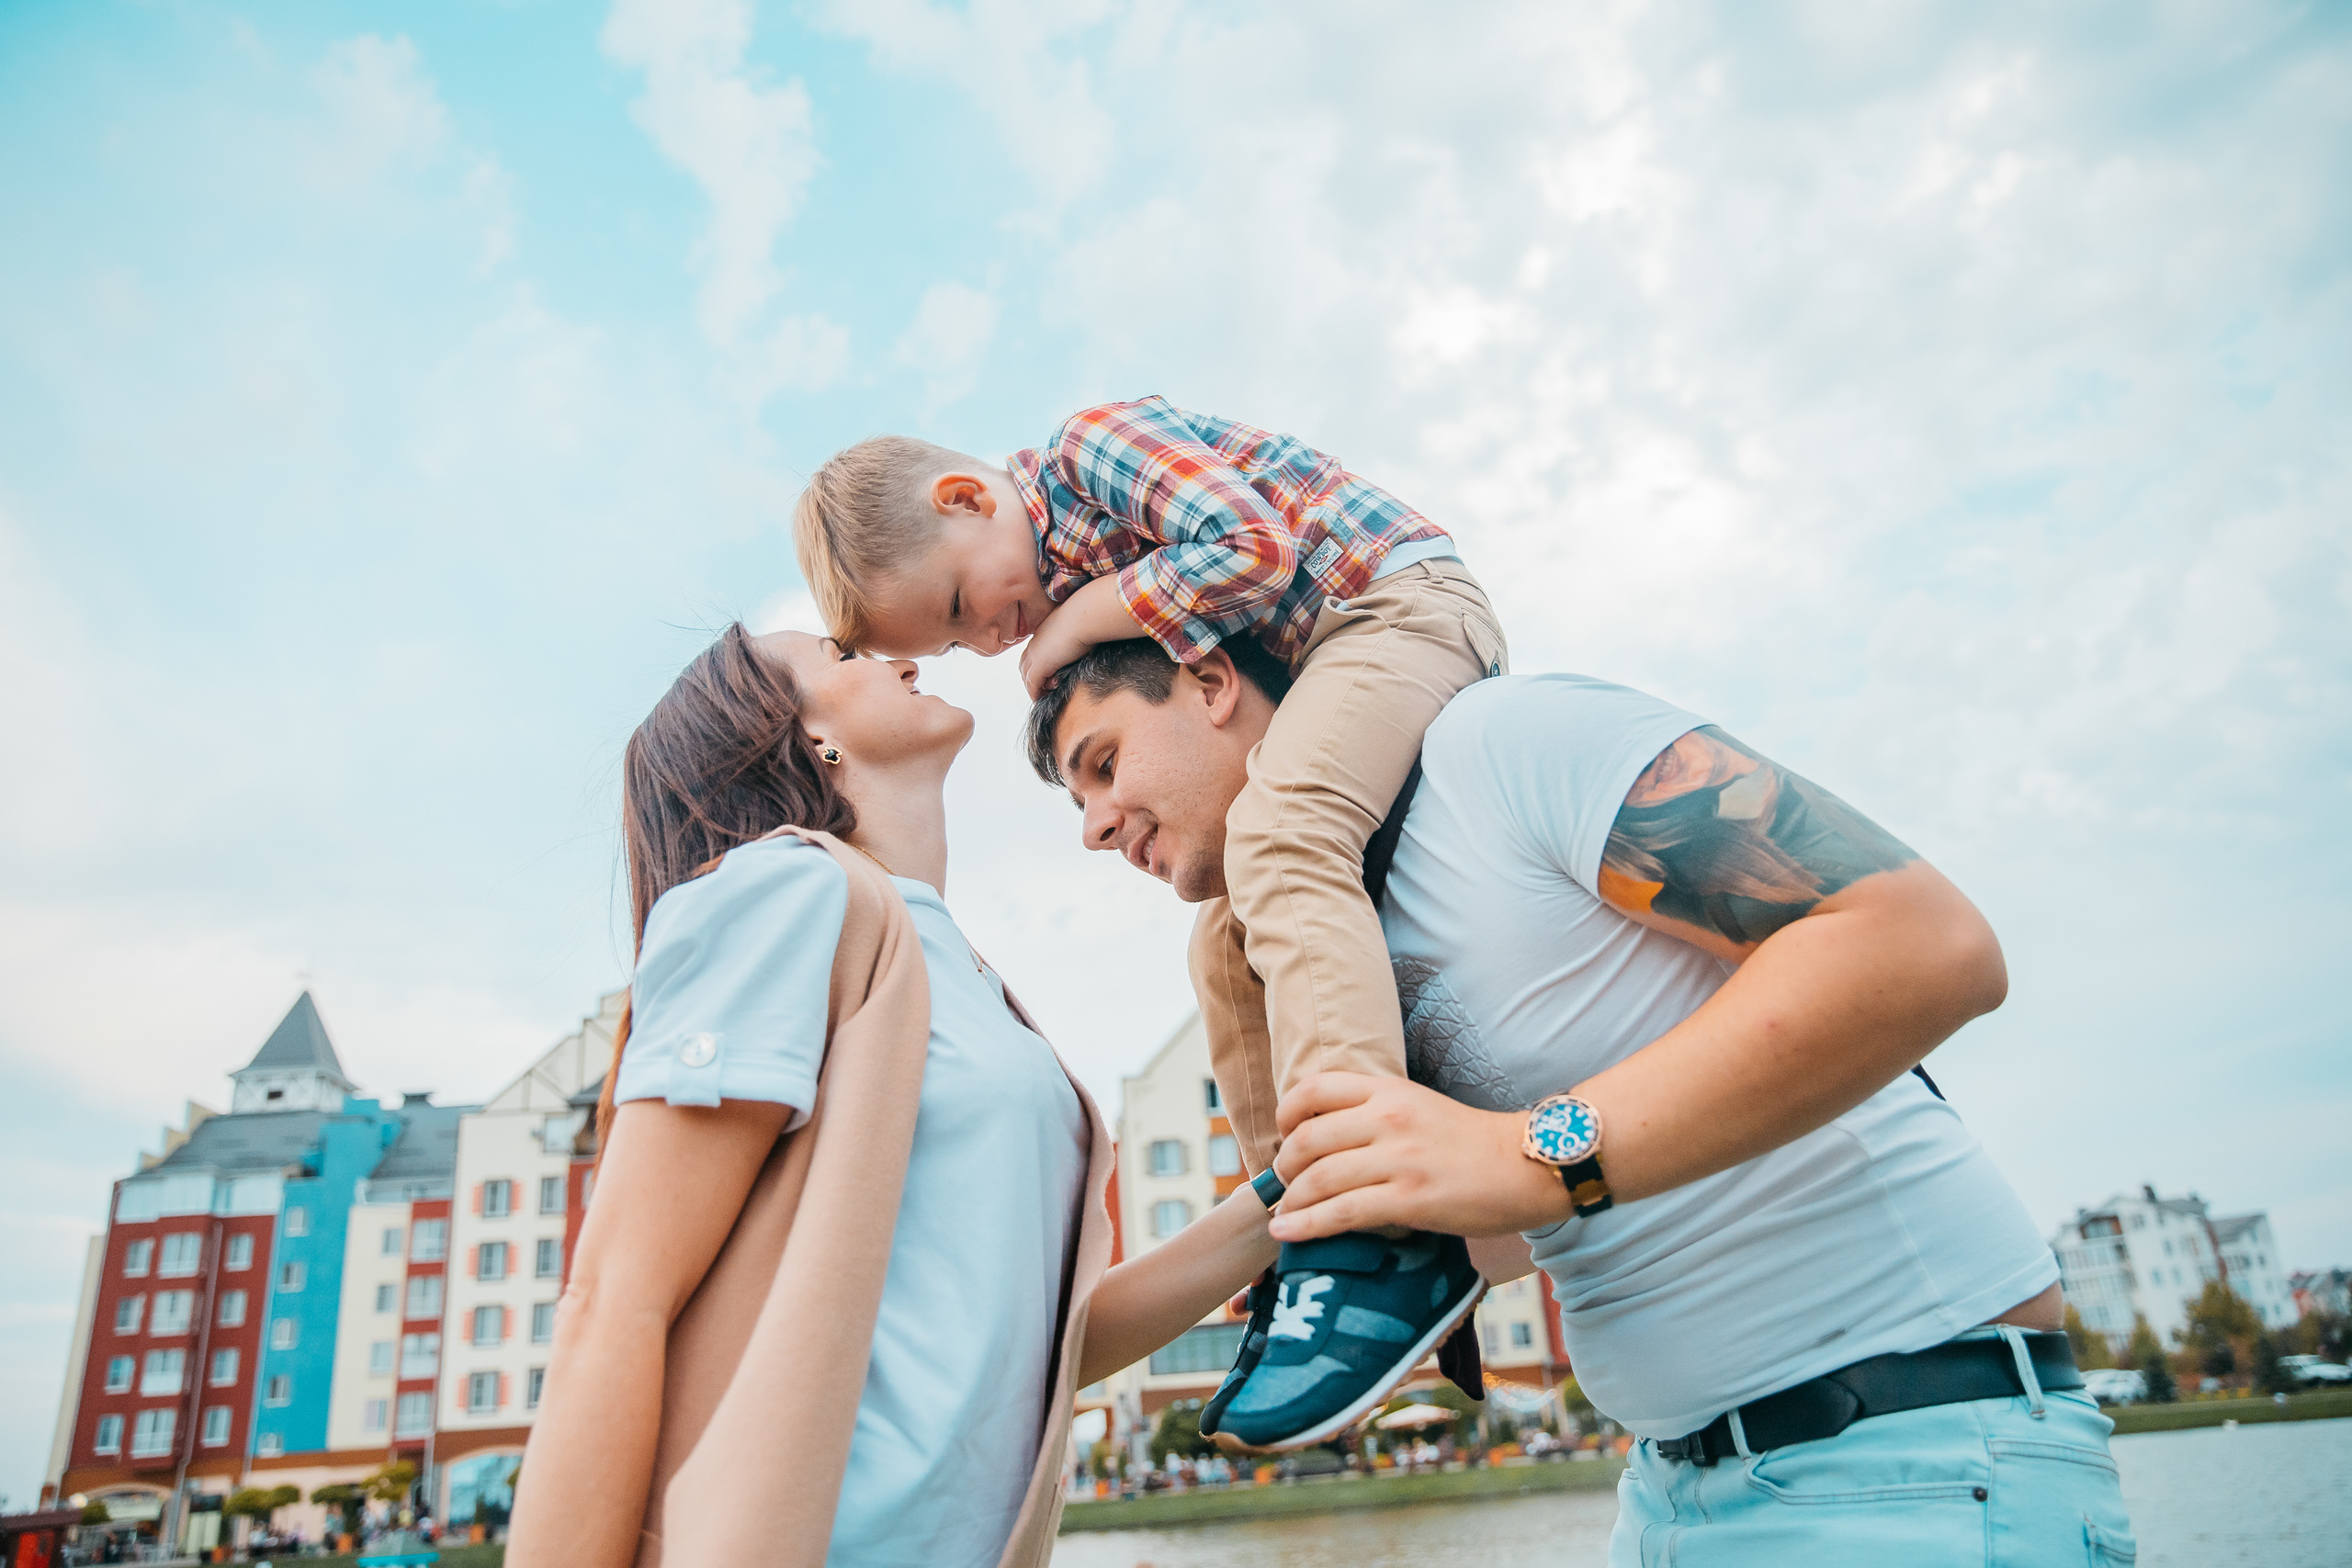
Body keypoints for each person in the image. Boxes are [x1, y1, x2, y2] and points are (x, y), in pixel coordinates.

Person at [1027, 641, 2139, 1564]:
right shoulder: (1322, 944)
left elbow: (1928, 946)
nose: (1093, 823)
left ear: (1209, 681)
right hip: (1671, 1494)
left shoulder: (1500, 743)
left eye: (1104, 760)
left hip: (1910, 1460)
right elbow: (1510, 1235)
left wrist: (1524, 1152)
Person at [793, 396, 1505, 1446]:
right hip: (1324, 665)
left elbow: (1253, 549)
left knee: (1282, 836)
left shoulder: (1092, 451)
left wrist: (1079, 622)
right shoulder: (1061, 571)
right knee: (1223, 944)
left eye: (958, 606)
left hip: (1394, 609)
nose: (989, 642)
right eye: (955, 642)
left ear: (966, 498)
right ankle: (1306, 1230)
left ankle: (1374, 1228)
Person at [506, 625, 1279, 1568]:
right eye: (841, 658)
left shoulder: (960, 971)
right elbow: (612, 1299)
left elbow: (1028, 1345)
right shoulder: (782, 890)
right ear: (807, 741)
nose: (902, 658)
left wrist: (1282, 1205)